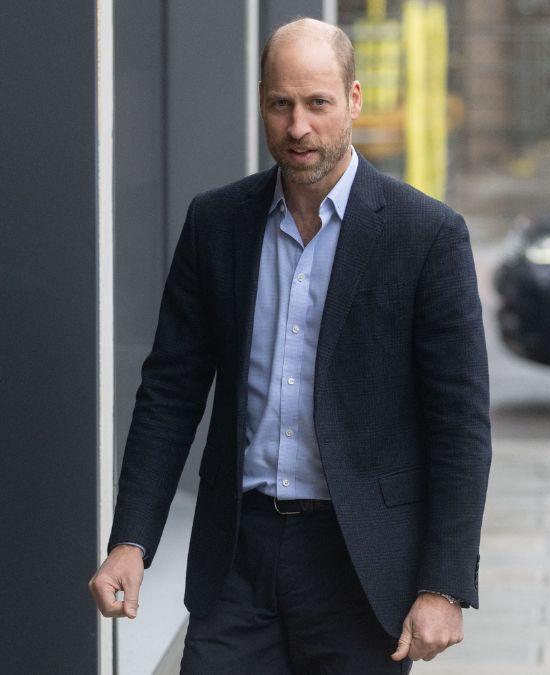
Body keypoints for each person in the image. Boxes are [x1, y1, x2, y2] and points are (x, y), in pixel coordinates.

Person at [87, 18, 490, 672]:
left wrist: (443, 584)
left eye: (318, 103)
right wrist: (130, 539)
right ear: (262, 102)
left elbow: (460, 424)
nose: (298, 126)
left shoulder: (427, 236)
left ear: (353, 100)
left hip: (359, 562)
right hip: (236, 556)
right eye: (282, 104)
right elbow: (169, 393)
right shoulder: (217, 223)